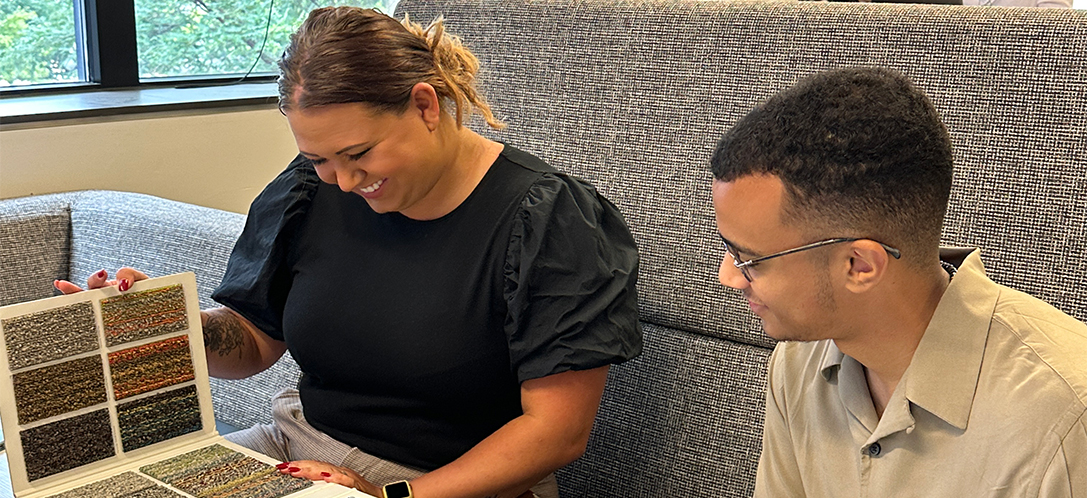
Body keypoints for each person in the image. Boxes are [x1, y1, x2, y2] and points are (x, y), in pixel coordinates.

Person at [57, 7, 641, 498]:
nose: (341, 180)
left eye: (358, 152)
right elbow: (255, 343)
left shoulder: (549, 220)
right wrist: (161, 326)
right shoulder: (310, 192)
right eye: (320, 159)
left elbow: (556, 433)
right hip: (294, 451)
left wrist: (386, 496)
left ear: (425, 105)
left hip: (446, 485)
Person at [709, 67, 1086, 496]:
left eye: (749, 259)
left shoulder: (1065, 421)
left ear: (860, 265)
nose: (727, 276)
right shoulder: (798, 365)